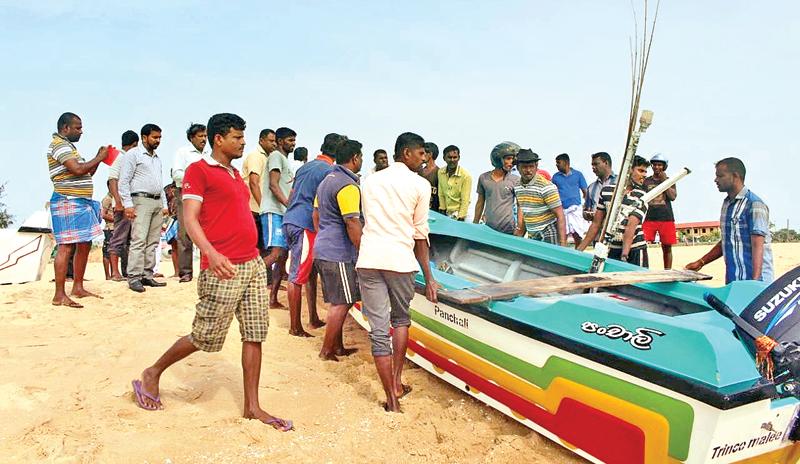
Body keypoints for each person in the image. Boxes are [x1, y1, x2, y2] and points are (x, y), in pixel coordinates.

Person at [131, 113, 293, 432]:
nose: (242, 142)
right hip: (222, 266)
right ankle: (152, 372)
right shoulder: (198, 170)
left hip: (251, 265)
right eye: (236, 137)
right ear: (218, 139)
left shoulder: (235, 175)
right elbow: (190, 218)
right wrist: (211, 253)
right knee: (206, 336)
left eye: (243, 137)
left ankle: (252, 406)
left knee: (255, 333)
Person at [357, 132, 438, 412]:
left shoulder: (369, 181)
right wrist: (429, 278)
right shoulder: (420, 185)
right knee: (401, 319)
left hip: (368, 259)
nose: (424, 159)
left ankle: (391, 399)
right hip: (400, 262)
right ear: (406, 153)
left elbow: (367, 218)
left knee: (379, 331)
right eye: (421, 154)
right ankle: (397, 381)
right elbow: (420, 234)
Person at [283, 133, 346, 336]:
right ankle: (295, 327)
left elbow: (292, 195)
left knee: (309, 272)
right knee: (298, 274)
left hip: (291, 219)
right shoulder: (329, 171)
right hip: (305, 224)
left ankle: (312, 318)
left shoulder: (305, 167)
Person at [47, 112, 107, 308]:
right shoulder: (59, 145)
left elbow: (85, 171)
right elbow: (78, 170)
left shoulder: (69, 148)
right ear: (65, 128)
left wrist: (98, 159)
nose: (81, 131)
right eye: (77, 127)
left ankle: (78, 287)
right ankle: (59, 294)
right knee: (66, 245)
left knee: (85, 242)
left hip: (79, 201)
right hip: (67, 200)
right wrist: (98, 157)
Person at [686, 157, 773, 283]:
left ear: (735, 176)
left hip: (755, 282)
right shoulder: (727, 204)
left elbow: (757, 246)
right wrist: (701, 262)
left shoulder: (754, 205)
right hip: (734, 281)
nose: (716, 180)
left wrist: (755, 283)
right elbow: (728, 241)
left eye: (720, 176)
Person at [315, 139, 364, 361]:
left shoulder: (327, 180)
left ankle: (338, 346)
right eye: (361, 156)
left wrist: (324, 235)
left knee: (340, 298)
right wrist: (363, 251)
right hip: (339, 252)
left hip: (323, 246)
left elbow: (315, 214)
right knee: (342, 302)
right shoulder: (348, 186)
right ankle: (327, 350)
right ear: (354, 158)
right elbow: (352, 222)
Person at [119, 124, 168, 292]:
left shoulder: (157, 158)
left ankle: (147, 275)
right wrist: (128, 205)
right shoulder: (133, 155)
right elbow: (123, 181)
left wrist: (164, 204)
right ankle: (133, 277)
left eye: (160, 137)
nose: (158, 140)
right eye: (155, 137)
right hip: (140, 200)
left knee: (153, 241)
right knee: (139, 239)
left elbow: (159, 183)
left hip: (156, 202)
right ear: (144, 137)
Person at [578, 156, 651, 267]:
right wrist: (579, 250)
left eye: (645, 172)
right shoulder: (606, 192)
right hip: (612, 250)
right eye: (640, 171)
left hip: (635, 249)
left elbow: (630, 226)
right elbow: (596, 224)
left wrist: (624, 255)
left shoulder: (642, 196)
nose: (644, 175)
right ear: (629, 169)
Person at [260, 127, 296, 308]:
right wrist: (290, 206)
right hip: (274, 211)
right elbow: (274, 186)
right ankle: (244, 283)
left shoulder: (286, 162)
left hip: (283, 212)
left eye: (294, 140)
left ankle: (272, 298)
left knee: (282, 256)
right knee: (275, 254)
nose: (293, 143)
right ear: (280, 141)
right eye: (290, 140)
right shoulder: (275, 157)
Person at [171, 123, 208, 282]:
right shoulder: (183, 152)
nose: (204, 139)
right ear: (192, 138)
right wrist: (196, 178)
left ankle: (206, 270)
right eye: (200, 136)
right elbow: (177, 174)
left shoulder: (209, 153)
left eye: (205, 136)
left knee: (207, 231)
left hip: (207, 195)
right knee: (185, 233)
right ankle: (185, 272)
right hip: (187, 194)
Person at [513, 149, 566, 246]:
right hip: (532, 232)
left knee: (549, 261)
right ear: (518, 167)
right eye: (524, 167)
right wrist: (520, 234)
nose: (528, 170)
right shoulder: (517, 186)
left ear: (536, 166)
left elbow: (560, 215)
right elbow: (526, 211)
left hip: (548, 231)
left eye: (531, 166)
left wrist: (563, 245)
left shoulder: (546, 186)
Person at [107, 130, 139, 281]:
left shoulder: (126, 158)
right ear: (134, 144)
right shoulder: (121, 157)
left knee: (129, 240)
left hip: (129, 204)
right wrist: (119, 202)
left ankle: (126, 271)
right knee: (118, 238)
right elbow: (112, 180)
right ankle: (115, 273)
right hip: (122, 205)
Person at [242, 129, 277, 258]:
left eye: (275, 141)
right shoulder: (256, 157)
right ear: (261, 140)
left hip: (261, 210)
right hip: (255, 211)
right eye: (271, 141)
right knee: (258, 249)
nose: (274, 144)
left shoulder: (268, 158)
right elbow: (254, 183)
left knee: (265, 248)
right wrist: (264, 208)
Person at [474, 142, 520, 234]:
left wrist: (519, 228)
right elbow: (480, 202)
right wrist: (475, 223)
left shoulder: (516, 180)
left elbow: (520, 206)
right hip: (487, 228)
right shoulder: (484, 178)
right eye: (508, 158)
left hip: (508, 229)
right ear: (498, 159)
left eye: (513, 159)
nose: (511, 162)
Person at [642, 153, 678, 269]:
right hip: (650, 218)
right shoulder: (646, 181)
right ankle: (643, 267)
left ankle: (667, 270)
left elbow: (673, 197)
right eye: (655, 165)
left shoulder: (670, 180)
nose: (657, 167)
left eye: (660, 165)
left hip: (666, 218)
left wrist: (664, 182)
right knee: (641, 244)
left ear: (664, 166)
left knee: (667, 247)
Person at [551, 153, 589, 246]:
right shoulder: (555, 177)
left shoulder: (578, 175)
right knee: (563, 235)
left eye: (558, 163)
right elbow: (551, 193)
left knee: (577, 235)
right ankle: (562, 256)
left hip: (576, 210)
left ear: (566, 162)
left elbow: (585, 192)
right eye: (556, 163)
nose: (557, 165)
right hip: (562, 211)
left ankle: (578, 254)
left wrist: (587, 206)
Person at [437, 145, 472, 220]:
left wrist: (461, 217)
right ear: (444, 158)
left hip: (461, 213)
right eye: (449, 157)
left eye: (455, 157)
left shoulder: (465, 176)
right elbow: (441, 193)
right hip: (447, 213)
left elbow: (465, 199)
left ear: (459, 158)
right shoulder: (440, 172)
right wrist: (442, 209)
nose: (452, 160)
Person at [583, 151, 617, 222]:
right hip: (597, 229)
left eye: (596, 164)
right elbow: (586, 209)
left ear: (606, 163)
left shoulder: (619, 182)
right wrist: (587, 215)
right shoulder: (591, 188)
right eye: (592, 165)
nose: (593, 167)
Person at [420, 142, 440, 211]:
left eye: (423, 153)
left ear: (430, 154)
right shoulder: (420, 172)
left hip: (434, 212)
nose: (421, 156)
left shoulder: (439, 173)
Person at [101, 185, 115, 280]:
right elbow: (103, 214)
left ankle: (114, 273)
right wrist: (116, 220)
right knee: (107, 252)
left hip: (116, 228)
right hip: (110, 228)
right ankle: (108, 275)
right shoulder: (107, 199)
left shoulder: (115, 198)